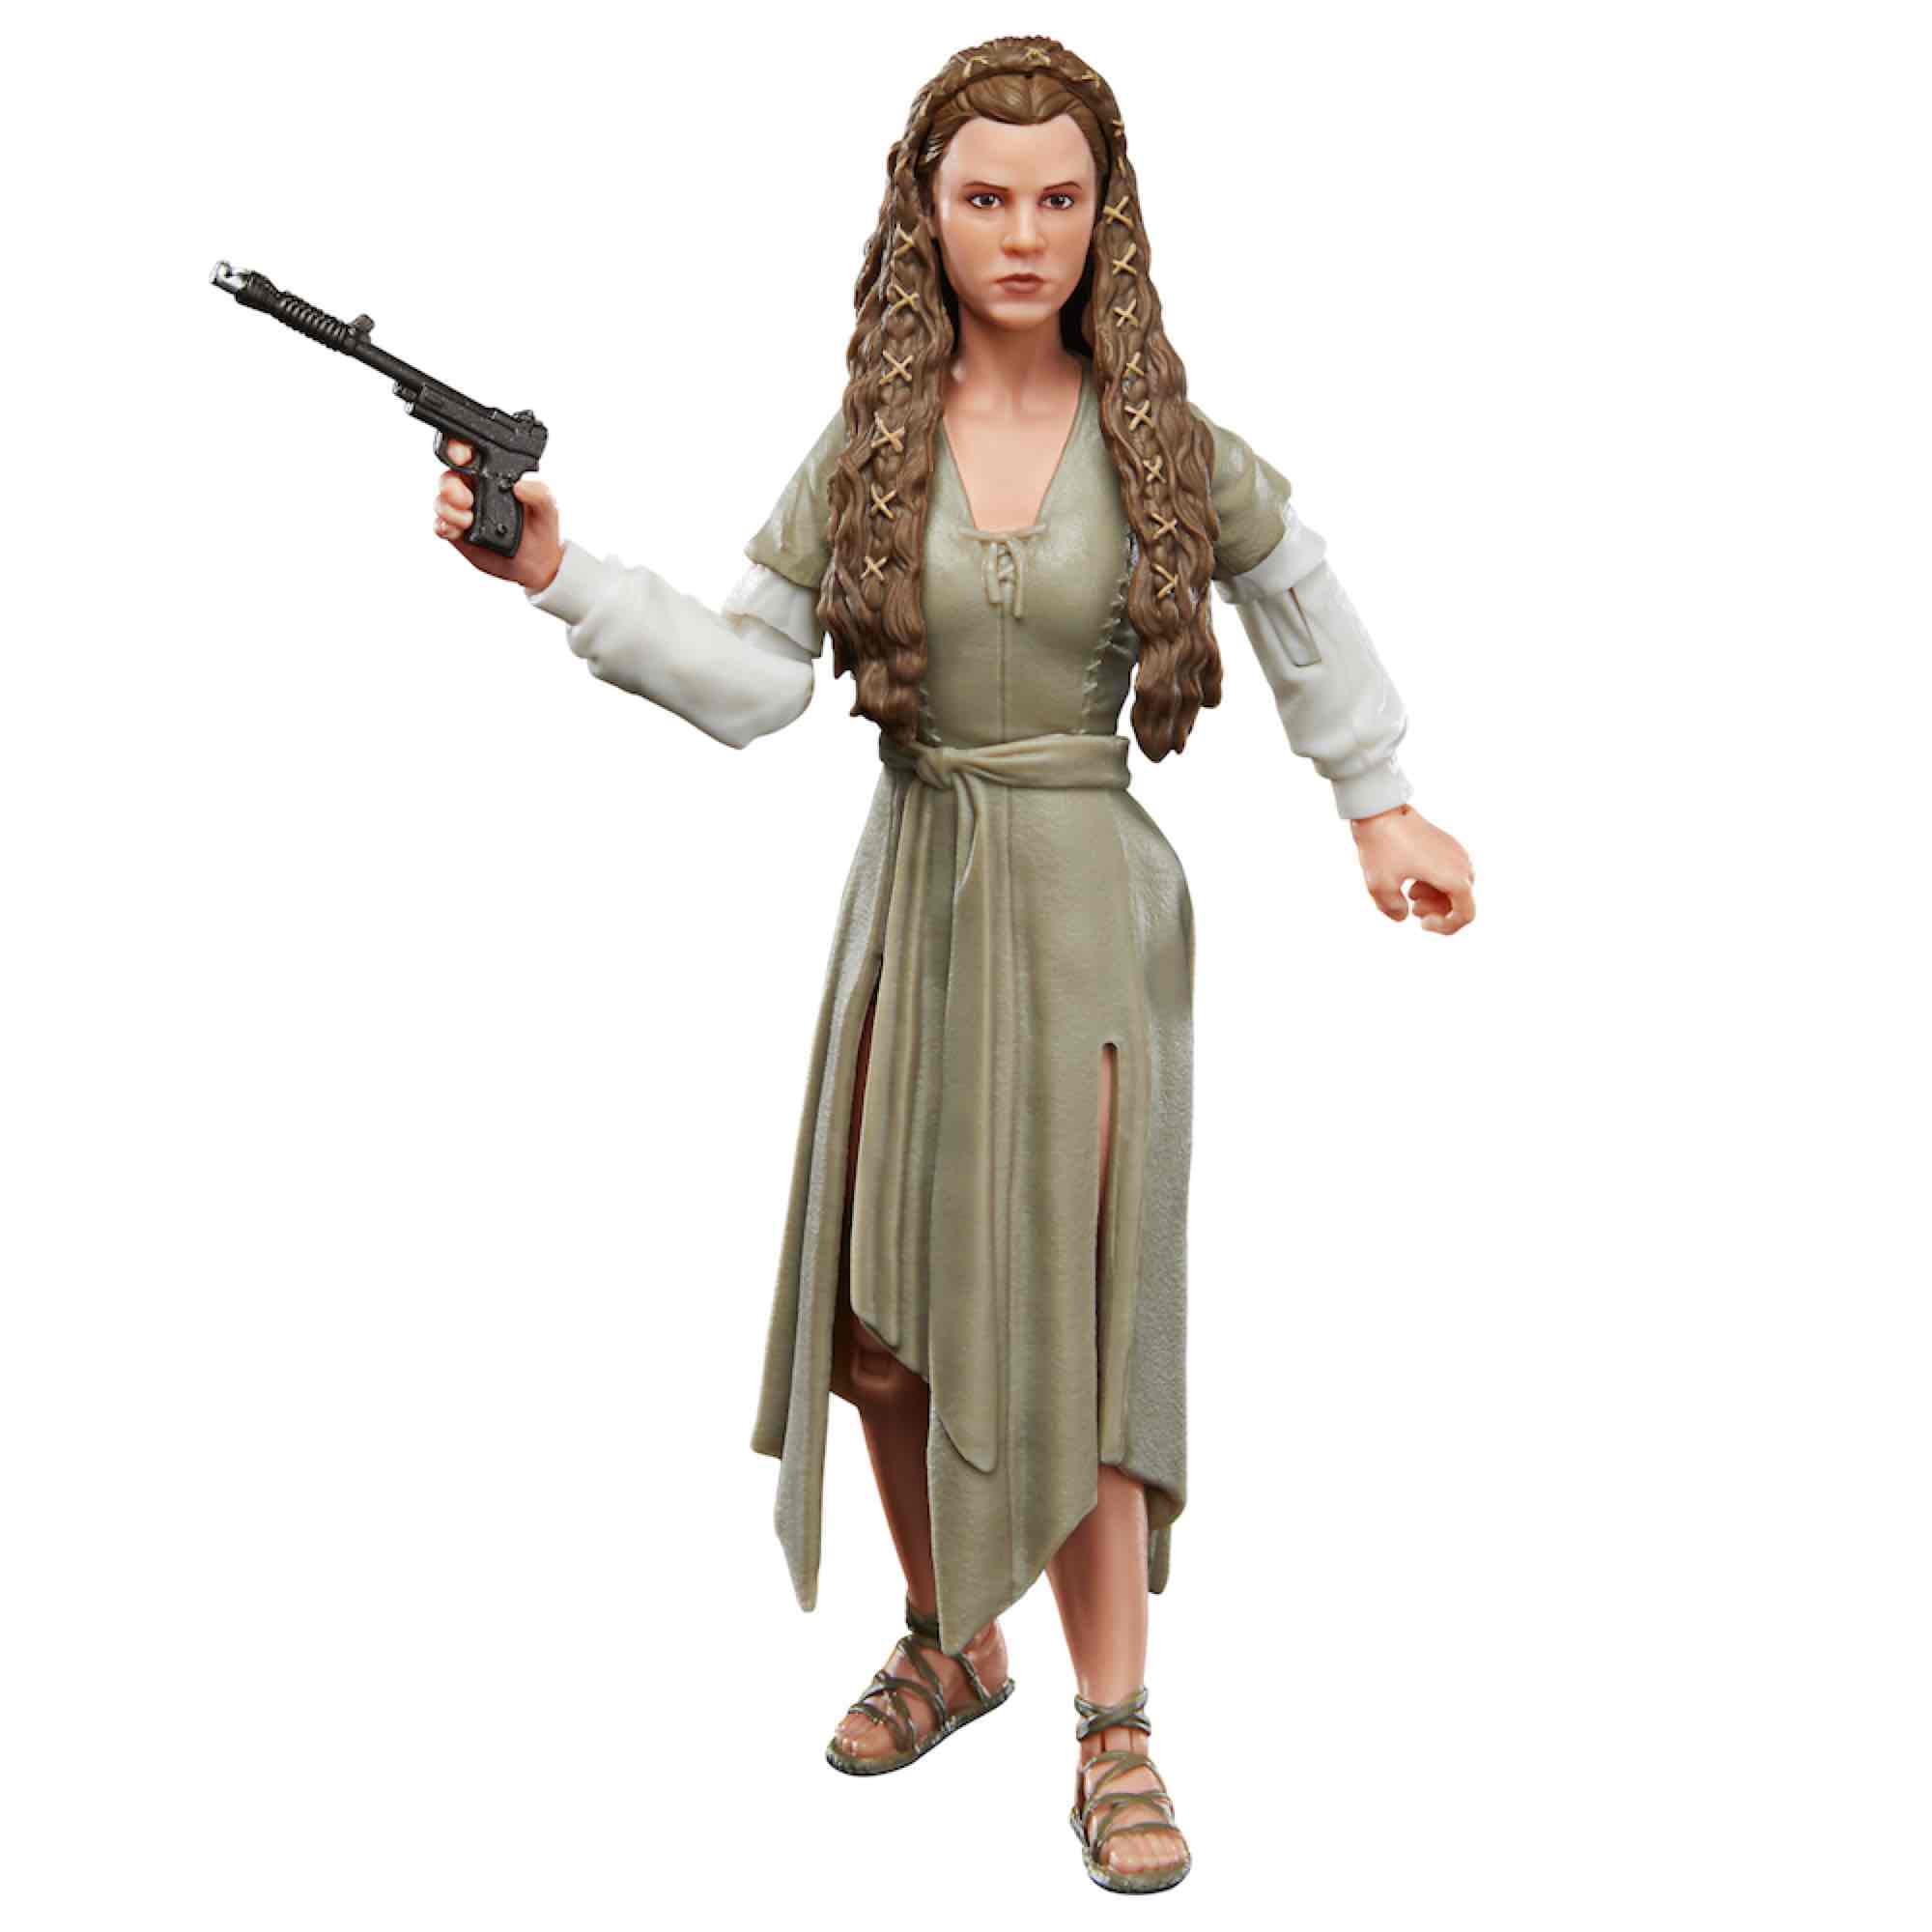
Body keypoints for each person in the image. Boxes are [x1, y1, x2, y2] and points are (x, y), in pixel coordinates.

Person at [429, 35, 1474, 1896]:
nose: (1023, 232)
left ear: (1105, 215)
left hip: (1086, 904)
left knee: (1080, 1313)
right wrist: (560, 578)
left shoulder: (1156, 439)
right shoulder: (869, 447)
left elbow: (1299, 587)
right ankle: (950, 1638)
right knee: (881, 1320)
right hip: (913, 891)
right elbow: (754, 681)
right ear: (925, 208)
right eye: (986, 195)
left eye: (1059, 197)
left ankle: (1116, 1726)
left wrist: (1378, 799)